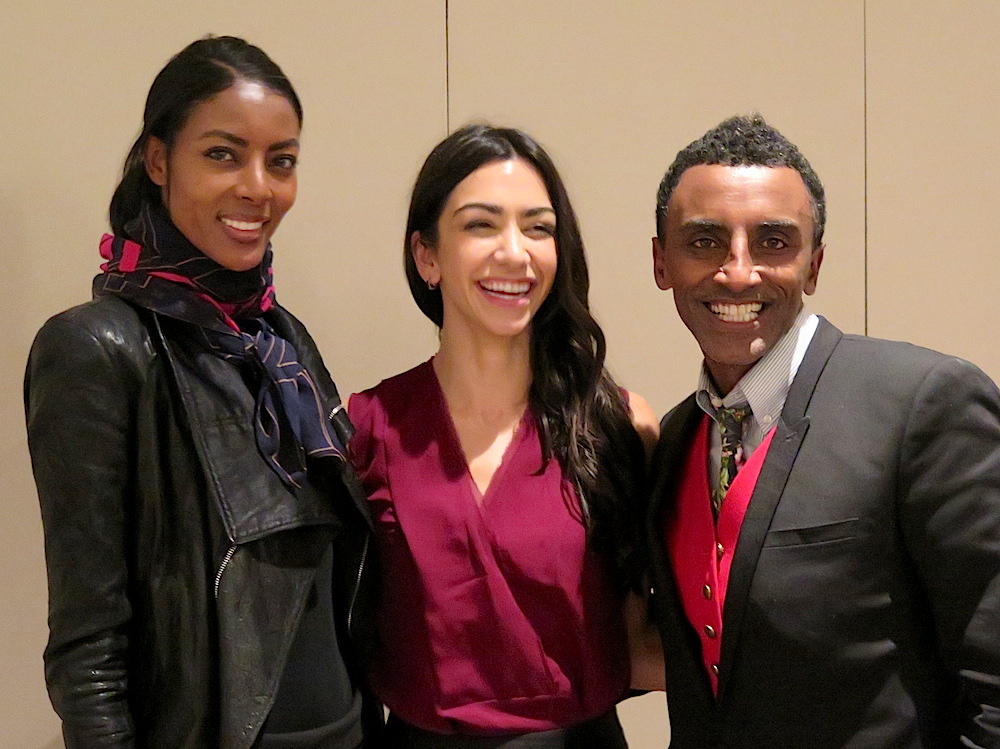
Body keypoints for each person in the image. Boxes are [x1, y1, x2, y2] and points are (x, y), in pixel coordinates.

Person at [24, 36, 379, 748]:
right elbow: (88, 648)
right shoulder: (97, 349)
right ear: (159, 159)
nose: (258, 186)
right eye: (223, 153)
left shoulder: (281, 339)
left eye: (281, 161)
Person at [644, 113, 1000, 747]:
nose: (738, 272)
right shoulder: (674, 439)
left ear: (813, 266)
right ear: (661, 262)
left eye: (774, 242)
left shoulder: (923, 404)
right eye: (703, 241)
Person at [348, 124, 658, 748]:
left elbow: (645, 642)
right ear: (426, 256)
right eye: (481, 225)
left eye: (538, 228)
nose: (514, 252)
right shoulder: (367, 429)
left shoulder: (620, 426)